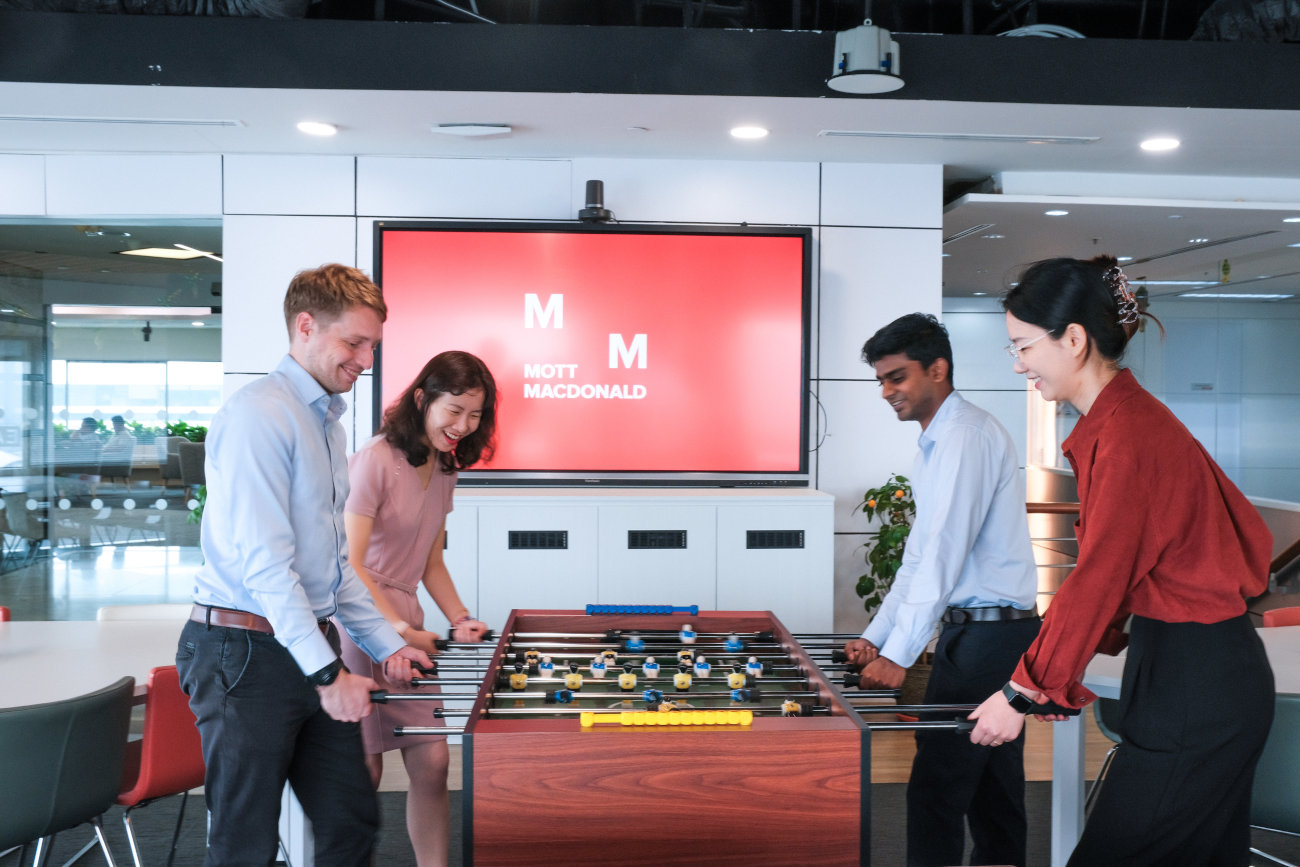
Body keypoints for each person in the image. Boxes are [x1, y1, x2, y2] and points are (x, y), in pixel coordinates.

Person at [968, 255, 1274, 866]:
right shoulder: (1121, 424)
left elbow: (1098, 579)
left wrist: (1023, 690)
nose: (1019, 363)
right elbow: (1117, 578)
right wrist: (1050, 675)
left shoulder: (1129, 437)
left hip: (1196, 685)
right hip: (1197, 674)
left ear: (1073, 340)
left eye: (1023, 346)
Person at [176, 263, 429, 866]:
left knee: (350, 817)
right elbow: (267, 568)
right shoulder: (259, 415)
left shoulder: (326, 424)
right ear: (306, 326)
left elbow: (333, 567)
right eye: (355, 342)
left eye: (373, 345)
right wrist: (328, 676)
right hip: (242, 652)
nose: (366, 360)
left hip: (306, 644)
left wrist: (387, 644)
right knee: (246, 842)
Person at [844, 312, 1041, 867]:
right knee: (993, 791)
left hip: (990, 639)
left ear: (937, 369)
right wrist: (878, 638)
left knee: (936, 789)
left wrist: (901, 655)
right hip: (980, 634)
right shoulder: (937, 443)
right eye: (881, 380)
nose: (887, 391)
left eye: (897, 377)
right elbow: (919, 557)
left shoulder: (965, 437)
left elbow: (943, 557)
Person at [339, 350, 497, 867]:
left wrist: (459, 618)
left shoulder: (445, 467)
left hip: (408, 621)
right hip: (359, 620)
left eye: (474, 415)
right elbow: (350, 564)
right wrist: (397, 630)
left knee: (432, 762)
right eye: (454, 410)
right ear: (422, 399)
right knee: (364, 770)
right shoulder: (375, 459)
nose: (463, 426)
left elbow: (432, 562)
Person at [99, 414, 136, 482]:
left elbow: (120, 448)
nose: (114, 426)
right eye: (113, 424)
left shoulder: (124, 435)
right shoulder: (116, 435)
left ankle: (92, 484)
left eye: (115, 424)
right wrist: (101, 449)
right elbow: (109, 446)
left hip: (116, 462)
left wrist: (103, 451)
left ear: (121, 424)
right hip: (111, 459)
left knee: (94, 464)